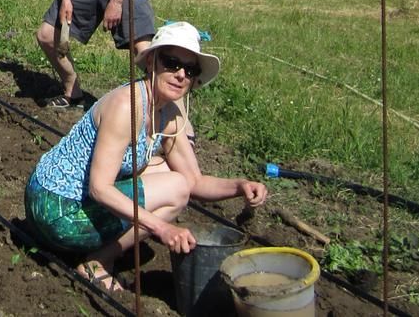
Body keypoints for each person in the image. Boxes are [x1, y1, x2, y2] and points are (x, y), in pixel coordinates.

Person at [24, 21, 268, 293]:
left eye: (190, 70)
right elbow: (99, 187)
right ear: (151, 61)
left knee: (172, 175)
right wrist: (161, 228)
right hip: (54, 210)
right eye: (172, 63)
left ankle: (99, 254)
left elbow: (194, 180)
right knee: (174, 188)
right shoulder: (127, 105)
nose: (180, 75)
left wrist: (239, 186)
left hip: (72, 204)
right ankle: (97, 263)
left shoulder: (169, 115)